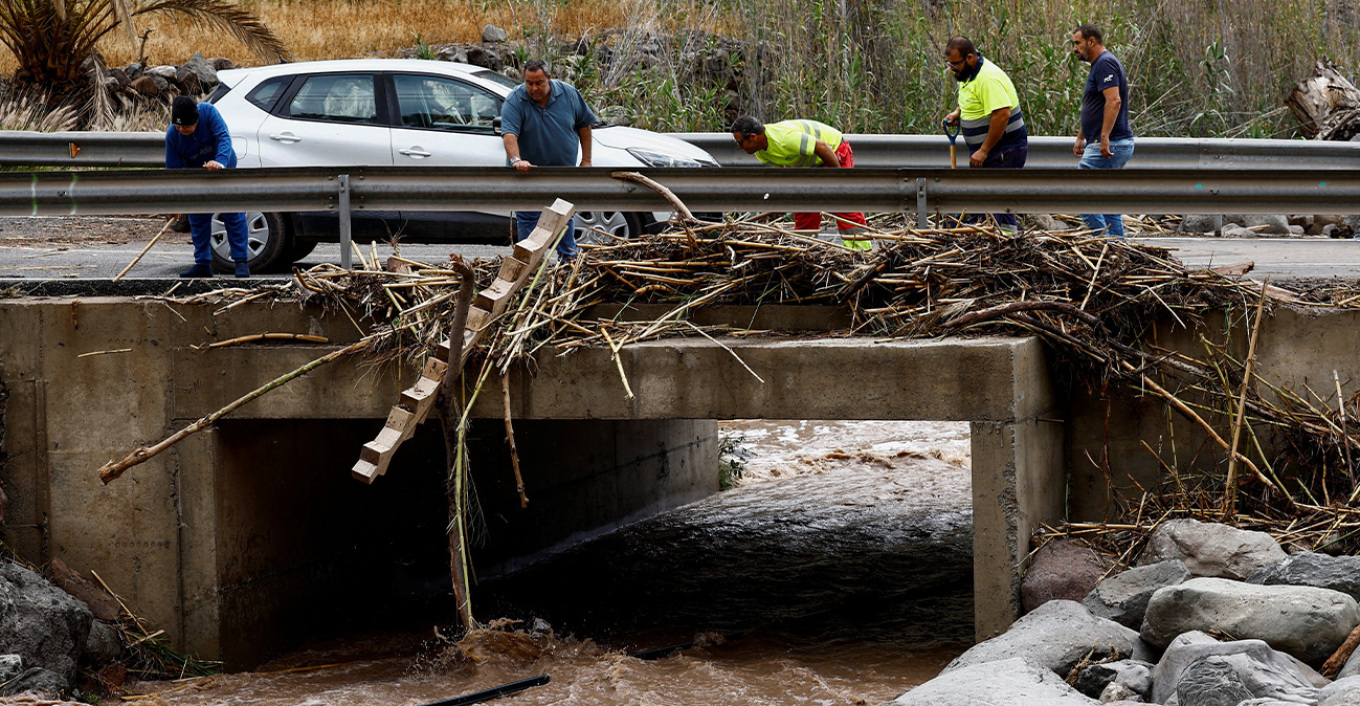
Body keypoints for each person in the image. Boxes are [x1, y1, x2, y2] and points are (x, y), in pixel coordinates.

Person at [729, 116, 871, 250]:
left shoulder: (784, 138)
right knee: (804, 206)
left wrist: (839, 179)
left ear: (753, 137)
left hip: (833, 150)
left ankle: (861, 251)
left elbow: (822, 147)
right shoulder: (761, 152)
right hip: (810, 165)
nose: (739, 148)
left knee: (842, 203)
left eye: (740, 143)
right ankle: (805, 249)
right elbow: (784, 174)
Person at [501, 59, 595, 260]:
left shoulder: (569, 95)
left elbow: (584, 126)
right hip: (528, 174)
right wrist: (516, 159)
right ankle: (529, 267)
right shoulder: (515, 99)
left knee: (563, 219)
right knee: (529, 221)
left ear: (549, 79)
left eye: (539, 83)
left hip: (562, 173)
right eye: (529, 83)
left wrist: (586, 160)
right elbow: (509, 134)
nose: (534, 88)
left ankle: (567, 264)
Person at [942, 36, 1027, 231]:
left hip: (1004, 150)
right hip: (992, 151)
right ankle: (1006, 240)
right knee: (994, 203)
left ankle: (997, 246)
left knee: (993, 203)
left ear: (970, 58)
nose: (952, 69)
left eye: (955, 64)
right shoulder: (969, 74)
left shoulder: (988, 78)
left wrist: (984, 150)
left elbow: (1002, 114)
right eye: (950, 64)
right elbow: (974, 99)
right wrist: (958, 113)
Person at [165, 95, 250, 278]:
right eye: (177, 126)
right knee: (198, 217)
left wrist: (219, 163)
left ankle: (241, 262)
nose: (181, 130)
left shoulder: (209, 113)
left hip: (223, 169)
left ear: (196, 120)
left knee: (232, 214)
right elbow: (173, 173)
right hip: (196, 176)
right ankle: (203, 264)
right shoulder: (173, 136)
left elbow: (224, 138)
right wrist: (174, 203)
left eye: (185, 126)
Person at [1072, 23, 1134, 237]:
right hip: (1106, 141)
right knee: (1106, 201)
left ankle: (1106, 245)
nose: (1074, 48)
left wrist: (1104, 138)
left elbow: (1114, 101)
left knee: (1080, 196)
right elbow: (1096, 107)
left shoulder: (1105, 64)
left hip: (1108, 143)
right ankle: (1117, 250)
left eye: (1077, 43)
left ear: (1092, 41)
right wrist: (1082, 137)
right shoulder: (1100, 65)